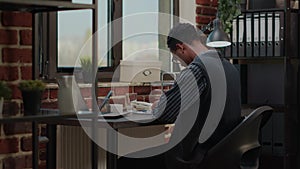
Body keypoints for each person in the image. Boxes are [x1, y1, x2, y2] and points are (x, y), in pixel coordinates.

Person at [117, 22, 242, 169]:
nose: (181, 64)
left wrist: (159, 102)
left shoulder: (197, 70)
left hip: (195, 157)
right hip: (223, 153)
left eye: (177, 59)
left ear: (181, 48)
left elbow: (163, 113)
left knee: (125, 161)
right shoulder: (230, 68)